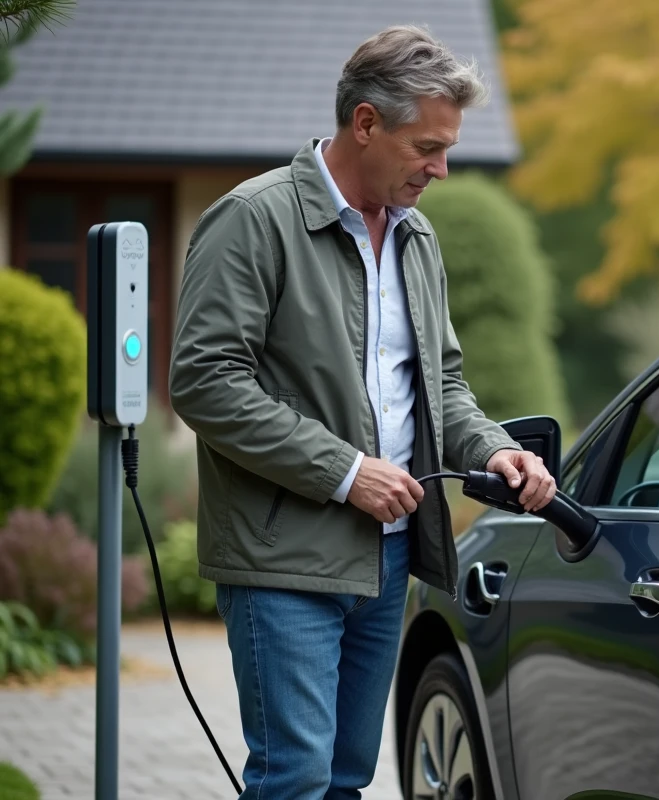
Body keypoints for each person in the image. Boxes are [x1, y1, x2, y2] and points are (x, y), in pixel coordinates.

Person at [168, 24, 556, 799]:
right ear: (367, 123)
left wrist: (491, 451)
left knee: (347, 777)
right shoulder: (253, 220)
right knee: (296, 778)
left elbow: (441, 384)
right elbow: (205, 380)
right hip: (283, 560)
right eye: (427, 148)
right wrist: (345, 472)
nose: (441, 170)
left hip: (386, 558)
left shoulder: (417, 239)